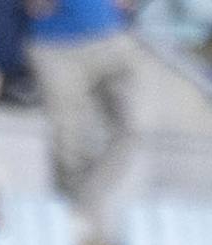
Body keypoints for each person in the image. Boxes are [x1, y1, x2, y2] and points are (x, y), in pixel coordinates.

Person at [24, 0, 135, 223]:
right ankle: (72, 214)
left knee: (132, 130)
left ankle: (82, 207)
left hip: (111, 35)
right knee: (66, 141)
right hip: (54, 42)